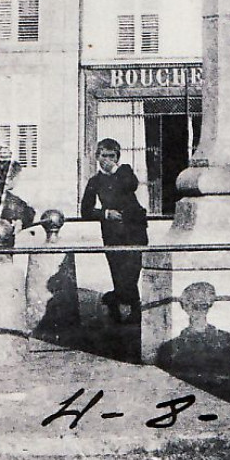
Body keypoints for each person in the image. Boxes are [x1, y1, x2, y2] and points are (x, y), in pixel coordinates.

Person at [81, 139, 148, 324]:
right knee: (118, 273)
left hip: (135, 230)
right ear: (97, 157)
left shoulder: (124, 171)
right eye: (104, 156)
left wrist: (116, 170)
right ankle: (128, 308)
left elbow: (131, 185)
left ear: (118, 157)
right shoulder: (94, 181)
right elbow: (85, 211)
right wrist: (105, 213)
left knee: (133, 270)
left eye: (112, 156)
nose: (108, 160)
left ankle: (116, 300)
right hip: (113, 233)